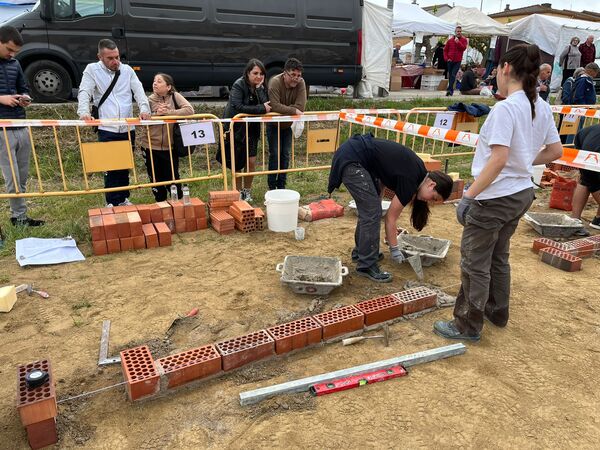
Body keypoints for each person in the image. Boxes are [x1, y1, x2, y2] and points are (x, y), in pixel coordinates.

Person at [433, 44, 563, 341]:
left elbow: (499, 159)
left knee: (474, 261)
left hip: (495, 196)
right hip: (520, 192)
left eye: (497, 71)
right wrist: (524, 158)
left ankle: (467, 324)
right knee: (498, 256)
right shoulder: (539, 105)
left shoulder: (506, 108)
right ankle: (497, 311)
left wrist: (468, 195)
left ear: (505, 68)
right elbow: (555, 150)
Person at [327, 134, 453, 283]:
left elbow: (384, 173)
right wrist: (394, 250)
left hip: (356, 156)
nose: (430, 202)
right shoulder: (411, 181)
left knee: (372, 210)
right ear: (432, 185)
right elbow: (390, 219)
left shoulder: (418, 172)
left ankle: (362, 253)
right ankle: (366, 265)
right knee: (372, 212)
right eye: (433, 198)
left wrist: (376, 200)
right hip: (353, 159)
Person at [78, 38, 151, 207]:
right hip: (107, 126)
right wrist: (84, 112)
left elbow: (138, 90)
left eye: (117, 57)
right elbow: (84, 91)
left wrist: (144, 108)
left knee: (124, 164)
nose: (115, 61)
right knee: (110, 166)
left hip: (127, 126)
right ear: (100, 57)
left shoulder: (127, 70)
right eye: (110, 58)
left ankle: (123, 197)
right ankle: (111, 200)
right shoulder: (92, 70)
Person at [0, 26, 44, 226]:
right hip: (2, 129)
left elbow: (24, 88)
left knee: (23, 175)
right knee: (12, 177)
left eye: (15, 51)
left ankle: (21, 215)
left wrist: (25, 98)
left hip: (21, 123)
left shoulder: (15, 64)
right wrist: (2, 99)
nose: (12, 54)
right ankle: (17, 216)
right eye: (9, 49)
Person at [138, 73, 193, 202]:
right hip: (151, 146)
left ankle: (177, 203)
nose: (155, 83)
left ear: (168, 87)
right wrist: (157, 114)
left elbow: (190, 110)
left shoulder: (175, 96)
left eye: (159, 81)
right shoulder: (148, 100)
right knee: (155, 177)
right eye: (154, 81)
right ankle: (160, 202)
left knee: (173, 176)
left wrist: (169, 113)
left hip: (170, 146)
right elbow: (142, 117)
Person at [222, 59, 271, 202]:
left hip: (252, 129)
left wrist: (261, 90)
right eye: (255, 73)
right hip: (236, 128)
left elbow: (267, 104)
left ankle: (247, 191)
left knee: (251, 162)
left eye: (261, 73)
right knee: (237, 162)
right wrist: (261, 108)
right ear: (247, 73)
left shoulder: (261, 86)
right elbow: (238, 106)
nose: (259, 76)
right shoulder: (238, 85)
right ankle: (236, 192)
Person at [267, 57, 306, 190]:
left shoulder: (301, 83)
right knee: (275, 154)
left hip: (288, 125)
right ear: (285, 73)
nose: (296, 78)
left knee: (285, 154)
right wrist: (293, 109)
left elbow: (301, 106)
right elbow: (275, 105)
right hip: (273, 125)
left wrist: (294, 109)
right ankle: (272, 186)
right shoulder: (274, 82)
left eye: (298, 75)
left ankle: (282, 185)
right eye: (293, 75)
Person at [570, 124, 600, 233]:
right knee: (589, 180)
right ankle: (574, 221)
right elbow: (595, 185)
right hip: (590, 146)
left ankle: (597, 220)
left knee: (586, 180)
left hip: (586, 137)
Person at [444, 26, 468, 96]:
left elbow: (463, 48)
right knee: (450, 75)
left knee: (453, 74)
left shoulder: (464, 40)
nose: (459, 33)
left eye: (460, 31)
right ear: (455, 32)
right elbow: (445, 50)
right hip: (450, 60)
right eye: (458, 31)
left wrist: (458, 42)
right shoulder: (450, 40)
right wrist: (446, 58)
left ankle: (450, 90)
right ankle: (450, 89)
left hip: (458, 60)